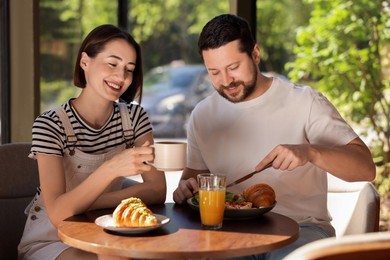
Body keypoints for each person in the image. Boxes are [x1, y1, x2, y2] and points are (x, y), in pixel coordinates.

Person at [173, 14, 375, 259]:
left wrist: (310, 152)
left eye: (233, 67)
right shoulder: (203, 114)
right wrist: (185, 189)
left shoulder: (304, 102)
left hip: (302, 229)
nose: (225, 81)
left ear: (255, 55)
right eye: (214, 72)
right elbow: (193, 180)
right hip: (231, 233)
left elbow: (365, 169)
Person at [18, 24, 166, 259]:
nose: (121, 77)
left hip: (105, 232)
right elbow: (57, 213)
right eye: (112, 63)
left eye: (129, 69)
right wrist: (111, 169)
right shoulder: (49, 124)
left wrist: (87, 203)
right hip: (51, 239)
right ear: (85, 61)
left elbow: (158, 190)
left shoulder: (135, 118)